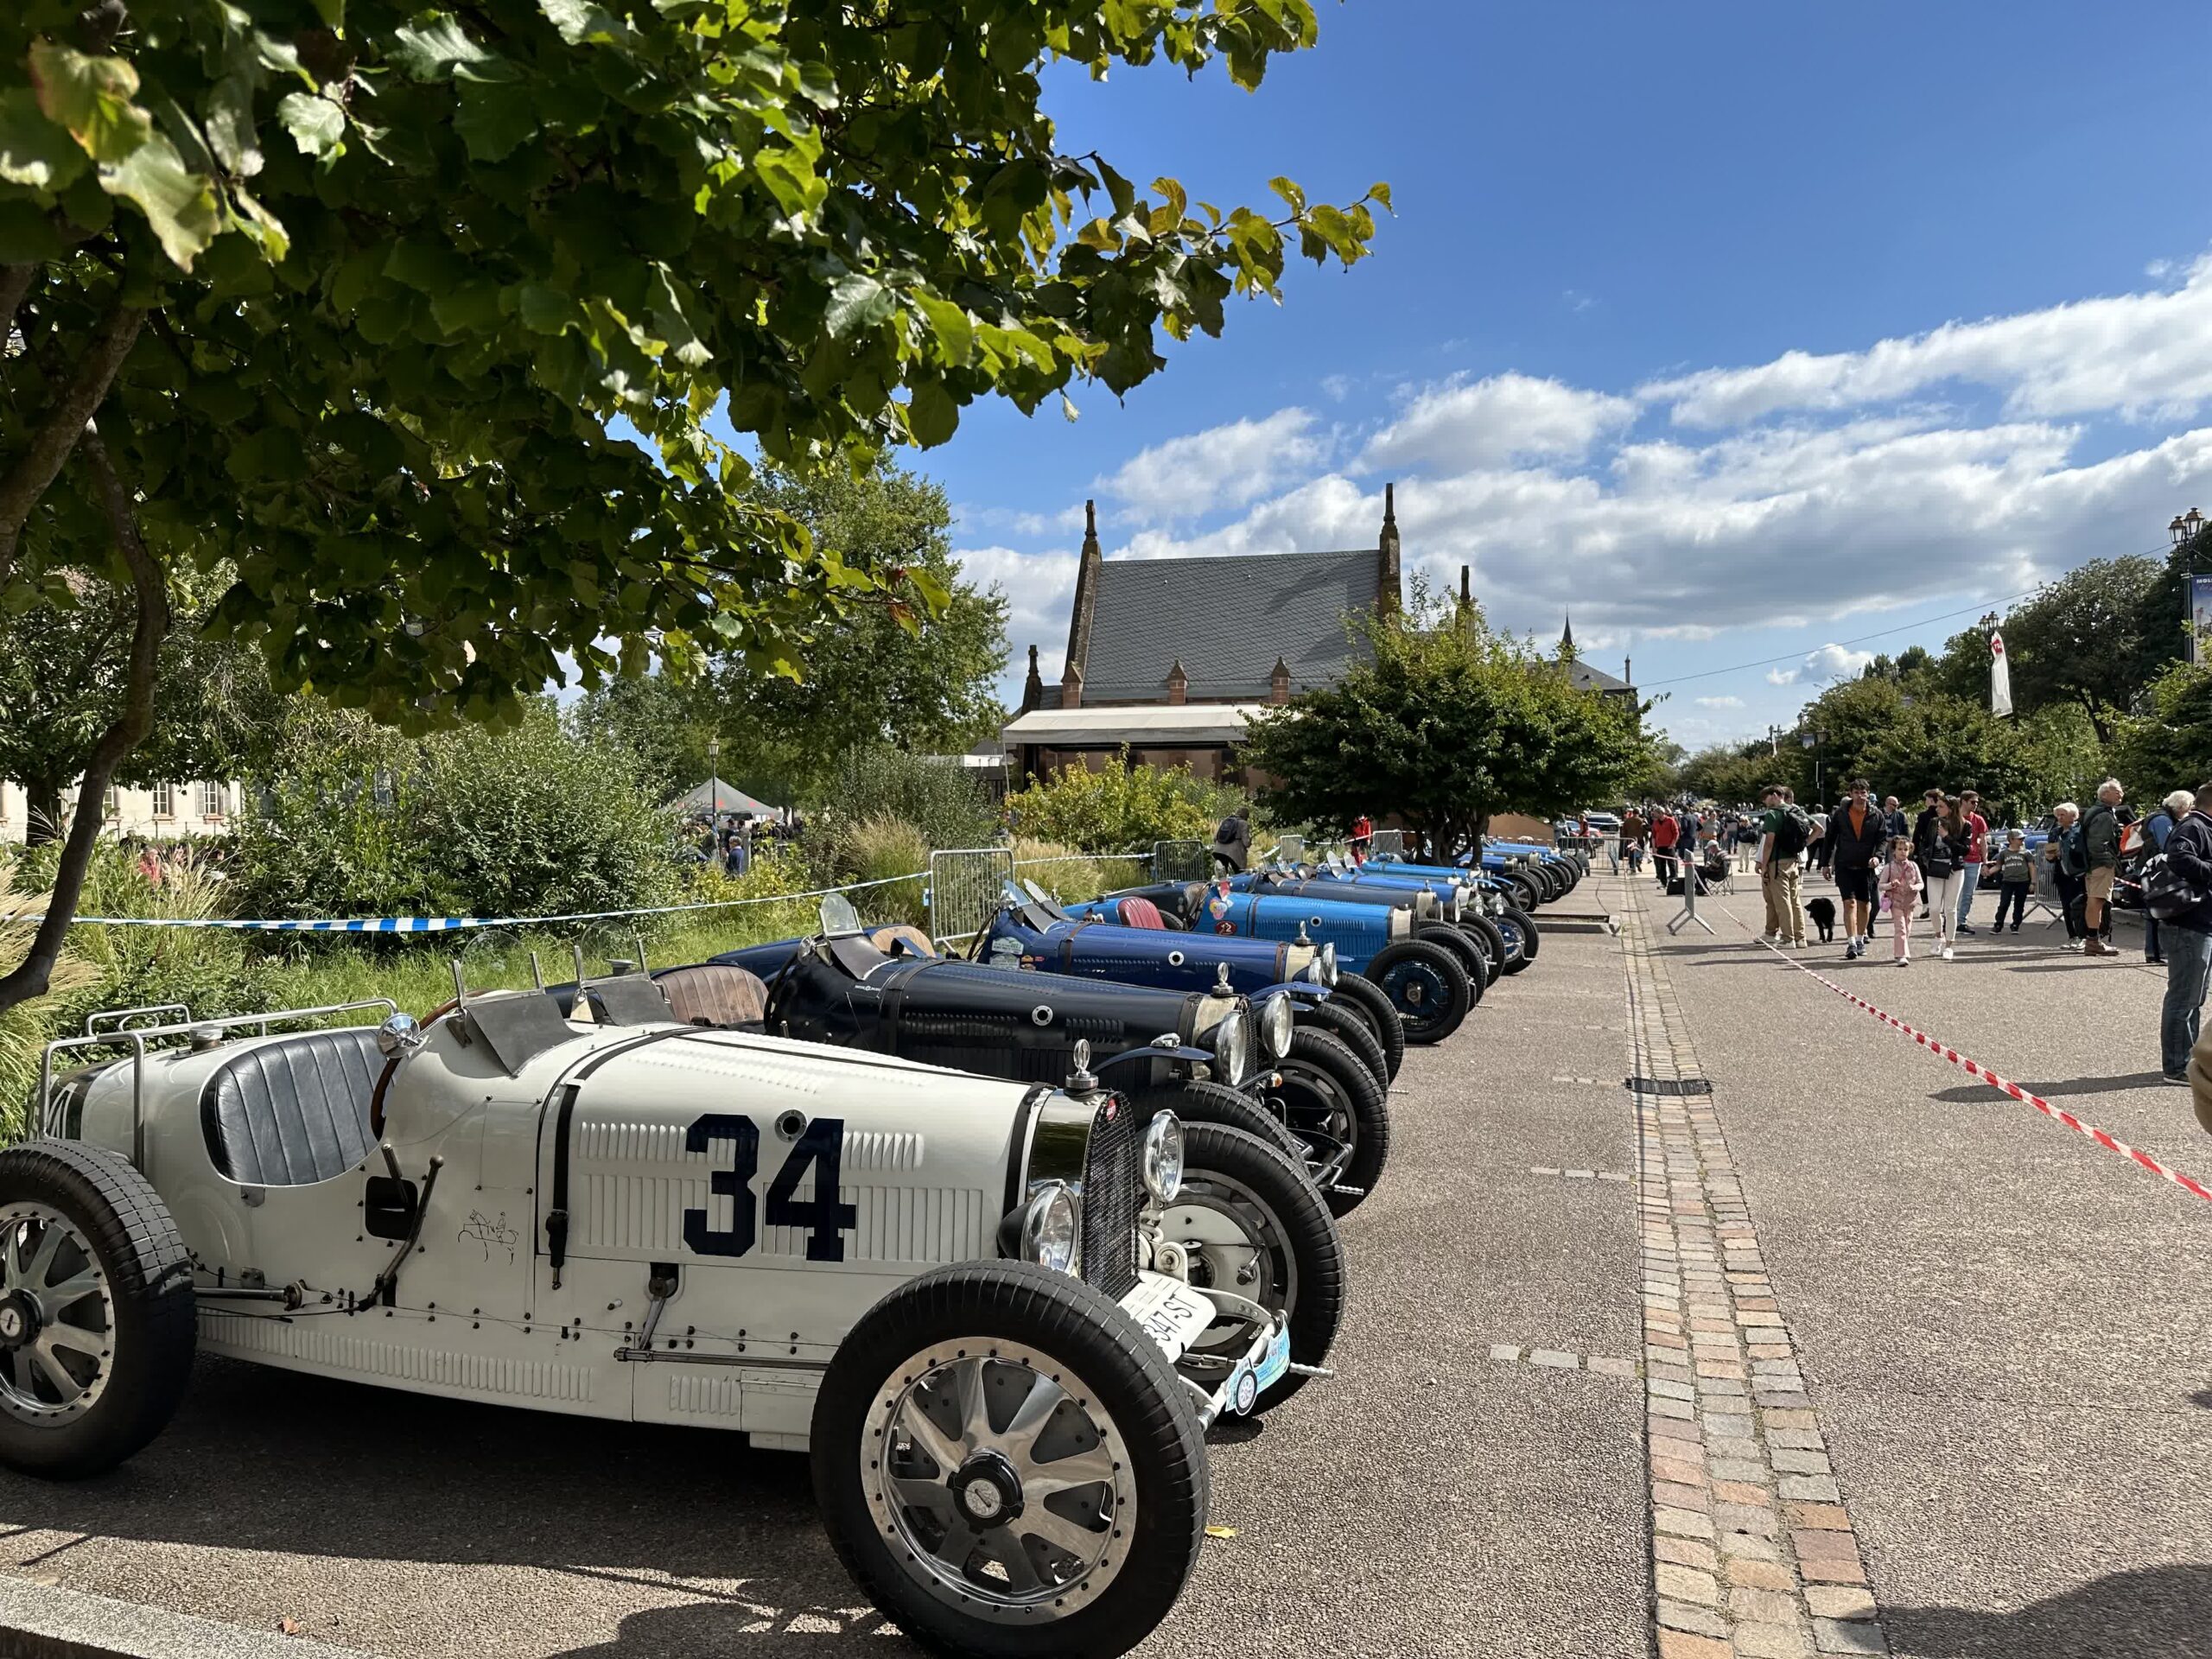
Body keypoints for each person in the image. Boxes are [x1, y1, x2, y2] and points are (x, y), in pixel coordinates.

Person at [2159, 787, 2212, 1084]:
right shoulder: (2194, 826)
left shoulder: (2200, 826)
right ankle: (2176, 1066)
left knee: (2194, 997)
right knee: (2183, 998)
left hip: (2199, 923)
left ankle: (2187, 1060)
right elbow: (2179, 858)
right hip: (2189, 924)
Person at [1826, 779, 1886, 957]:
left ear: (1868, 794)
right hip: (1844, 864)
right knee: (1849, 903)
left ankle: (1860, 939)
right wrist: (1825, 863)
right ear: (1850, 794)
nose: (1860, 796)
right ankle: (1851, 942)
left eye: (1863, 792)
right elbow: (1830, 839)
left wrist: (1878, 856)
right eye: (1856, 792)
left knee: (1864, 904)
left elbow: (1882, 839)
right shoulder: (1841, 814)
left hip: (1866, 866)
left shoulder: (1876, 815)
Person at [1755, 785, 1810, 947]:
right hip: (1793, 860)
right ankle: (1800, 937)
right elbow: (1818, 829)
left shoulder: (1772, 814)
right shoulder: (1796, 811)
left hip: (1777, 862)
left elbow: (1769, 843)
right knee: (1795, 901)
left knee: (1782, 902)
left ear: (1774, 795)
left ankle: (1788, 938)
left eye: (1766, 799)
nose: (1765, 803)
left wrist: (1764, 865)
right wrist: (1803, 845)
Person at [2077, 778, 2125, 956]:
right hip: (2100, 865)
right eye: (2117, 791)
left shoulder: (2095, 812)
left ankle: (2092, 940)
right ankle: (2093, 941)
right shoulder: (2104, 815)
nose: (2121, 794)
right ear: (2105, 794)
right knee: (2096, 901)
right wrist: (2109, 862)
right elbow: (2098, 844)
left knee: (2094, 900)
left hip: (2092, 864)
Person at [2045, 802, 2087, 950]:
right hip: (2061, 874)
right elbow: (2049, 853)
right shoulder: (2055, 832)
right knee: (2066, 907)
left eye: (2063, 815)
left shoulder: (2081, 831)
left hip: (2079, 874)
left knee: (2079, 906)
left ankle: (2083, 937)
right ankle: (2072, 936)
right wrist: (2050, 857)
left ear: (2074, 816)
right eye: (2058, 815)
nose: (2060, 818)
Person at [1880, 836, 1923, 965]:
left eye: (1905, 849)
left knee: (1907, 928)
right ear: (1894, 851)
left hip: (1910, 903)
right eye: (1899, 849)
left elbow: (1921, 883)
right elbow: (1881, 885)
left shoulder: (1913, 866)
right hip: (1896, 902)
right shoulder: (1889, 867)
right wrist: (1890, 885)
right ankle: (1901, 955)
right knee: (1901, 928)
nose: (1903, 852)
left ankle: (1902, 951)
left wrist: (1915, 887)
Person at [1954, 790, 1989, 936]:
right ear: (1963, 801)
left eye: (1977, 802)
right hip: (1957, 859)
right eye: (1972, 802)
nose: (1975, 805)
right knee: (1954, 892)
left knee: (1968, 894)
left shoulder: (1978, 820)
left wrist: (1985, 862)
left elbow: (1983, 842)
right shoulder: (1954, 817)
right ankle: (1950, 920)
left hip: (1974, 860)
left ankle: (1961, 922)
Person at [1991, 830, 2036, 931]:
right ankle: (1998, 924)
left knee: (2019, 905)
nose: (2022, 840)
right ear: (2011, 840)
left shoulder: (2026, 853)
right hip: (2008, 881)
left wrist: (2033, 882)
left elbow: (2032, 867)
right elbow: (1998, 866)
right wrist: (1989, 872)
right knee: (2004, 903)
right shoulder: (2004, 853)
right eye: (2019, 839)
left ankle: (2016, 924)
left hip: (2022, 881)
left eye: (2023, 838)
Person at [1651, 808, 1680, 889]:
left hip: (1669, 846)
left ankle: (1674, 882)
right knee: (1661, 866)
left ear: (1661, 813)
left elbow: (1676, 833)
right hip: (1660, 846)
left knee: (1671, 865)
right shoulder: (1655, 823)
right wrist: (1654, 847)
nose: (1654, 815)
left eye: (1656, 813)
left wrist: (1672, 844)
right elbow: (1653, 836)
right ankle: (1663, 883)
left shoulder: (1670, 821)